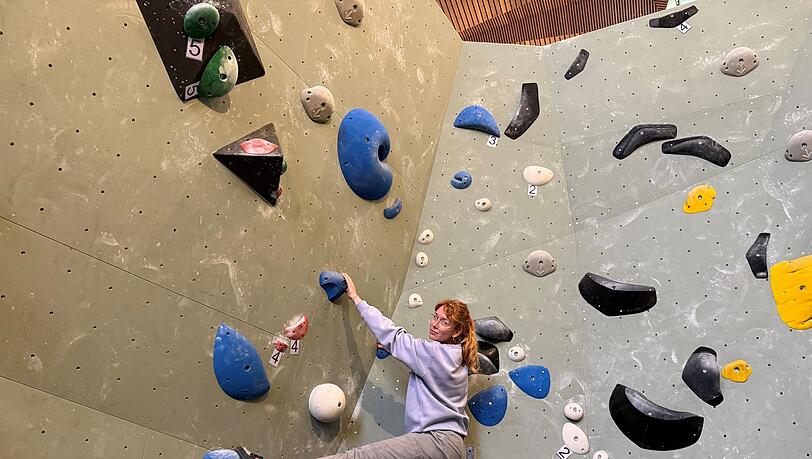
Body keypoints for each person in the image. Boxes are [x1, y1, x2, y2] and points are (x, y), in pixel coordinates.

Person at [319, 273, 480, 459]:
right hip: (451, 448)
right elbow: (426, 372)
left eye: (444, 322)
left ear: (457, 330)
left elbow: (394, 335)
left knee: (359, 457)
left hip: (436, 441)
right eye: (435, 317)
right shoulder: (457, 358)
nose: (435, 324)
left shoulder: (435, 353)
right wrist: (394, 351)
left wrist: (356, 298)